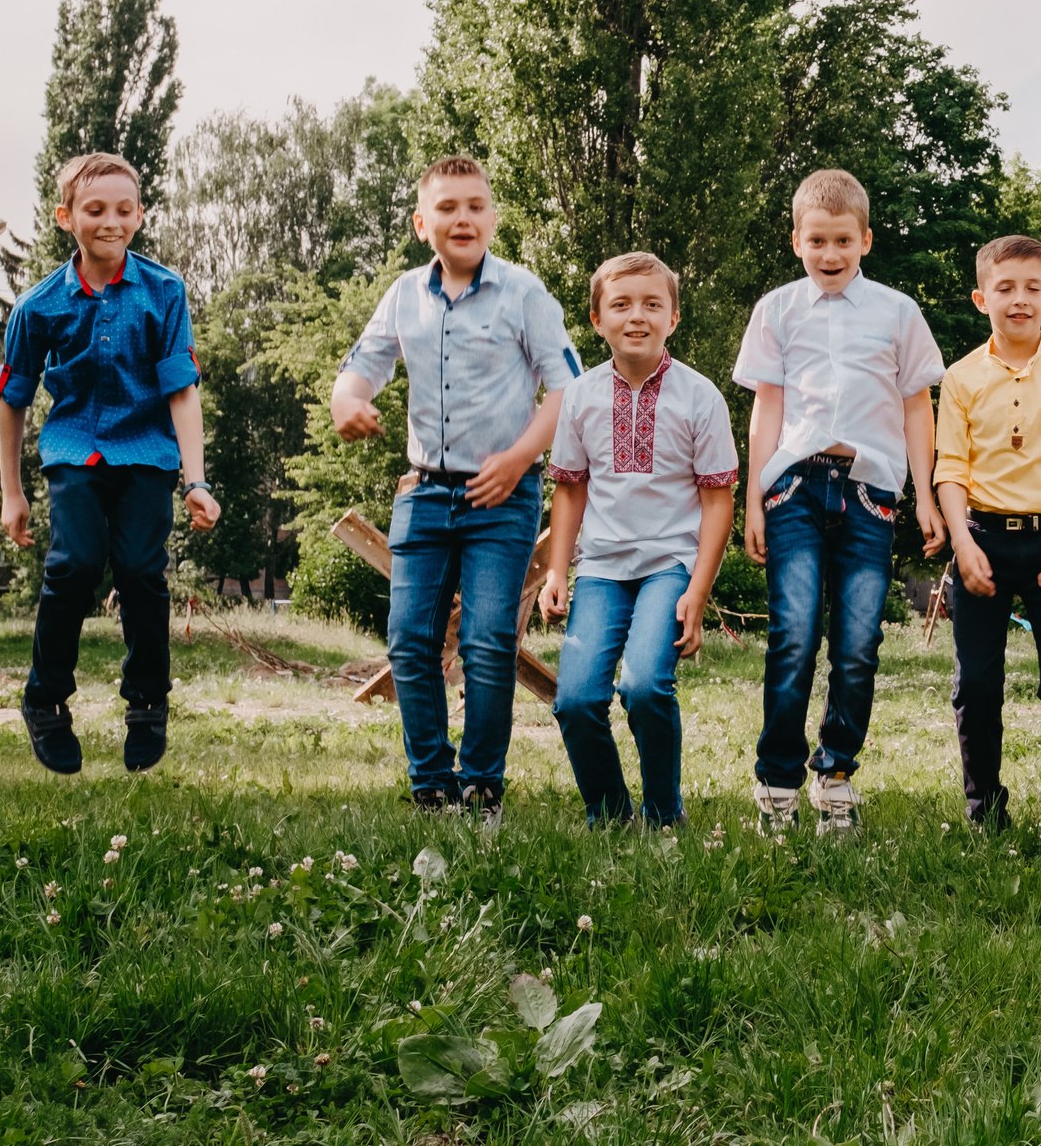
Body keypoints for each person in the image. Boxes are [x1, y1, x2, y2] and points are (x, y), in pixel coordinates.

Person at [332, 155, 583, 820]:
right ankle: (431, 785)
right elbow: (359, 370)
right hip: (424, 490)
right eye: (447, 207)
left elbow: (568, 388)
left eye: (475, 205)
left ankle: (481, 787)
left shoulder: (525, 293)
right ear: (423, 223)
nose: (463, 217)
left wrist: (519, 457)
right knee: (410, 640)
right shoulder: (403, 295)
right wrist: (347, 404)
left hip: (503, 495)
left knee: (486, 640)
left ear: (493, 218)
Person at [735, 169, 947, 834]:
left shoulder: (897, 312)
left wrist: (928, 495)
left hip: (870, 490)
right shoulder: (777, 309)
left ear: (866, 240)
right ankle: (776, 781)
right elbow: (766, 409)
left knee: (857, 641)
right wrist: (752, 500)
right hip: (794, 484)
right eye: (817, 240)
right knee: (794, 632)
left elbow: (918, 407)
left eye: (843, 241)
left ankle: (835, 774)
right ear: (797, 239)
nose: (830, 254)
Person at [0, 151, 219, 776]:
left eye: (124, 209)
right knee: (75, 565)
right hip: (74, 450)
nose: (110, 221)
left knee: (143, 571)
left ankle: (147, 702)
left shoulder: (164, 292)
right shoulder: (38, 307)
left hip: (147, 453)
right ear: (67, 217)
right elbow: (11, 402)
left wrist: (196, 481)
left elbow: (181, 389)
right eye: (95, 210)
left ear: (140, 215)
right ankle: (45, 701)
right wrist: (12, 494)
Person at [537, 253, 736, 828]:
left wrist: (698, 591)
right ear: (597, 319)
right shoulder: (578, 397)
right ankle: (609, 815)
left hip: (670, 565)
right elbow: (570, 489)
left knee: (646, 688)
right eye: (621, 305)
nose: (637, 316)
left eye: (653, 304)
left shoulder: (701, 397)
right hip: (600, 569)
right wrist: (556, 572)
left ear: (673, 317)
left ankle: (662, 816)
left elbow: (717, 499)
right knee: (574, 702)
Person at [934, 235, 1041, 830]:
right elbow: (950, 469)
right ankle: (985, 810)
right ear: (982, 298)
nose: (1019, 300)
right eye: (1005, 288)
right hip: (980, 541)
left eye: (1033, 288)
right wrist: (961, 542)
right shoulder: (958, 379)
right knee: (977, 688)